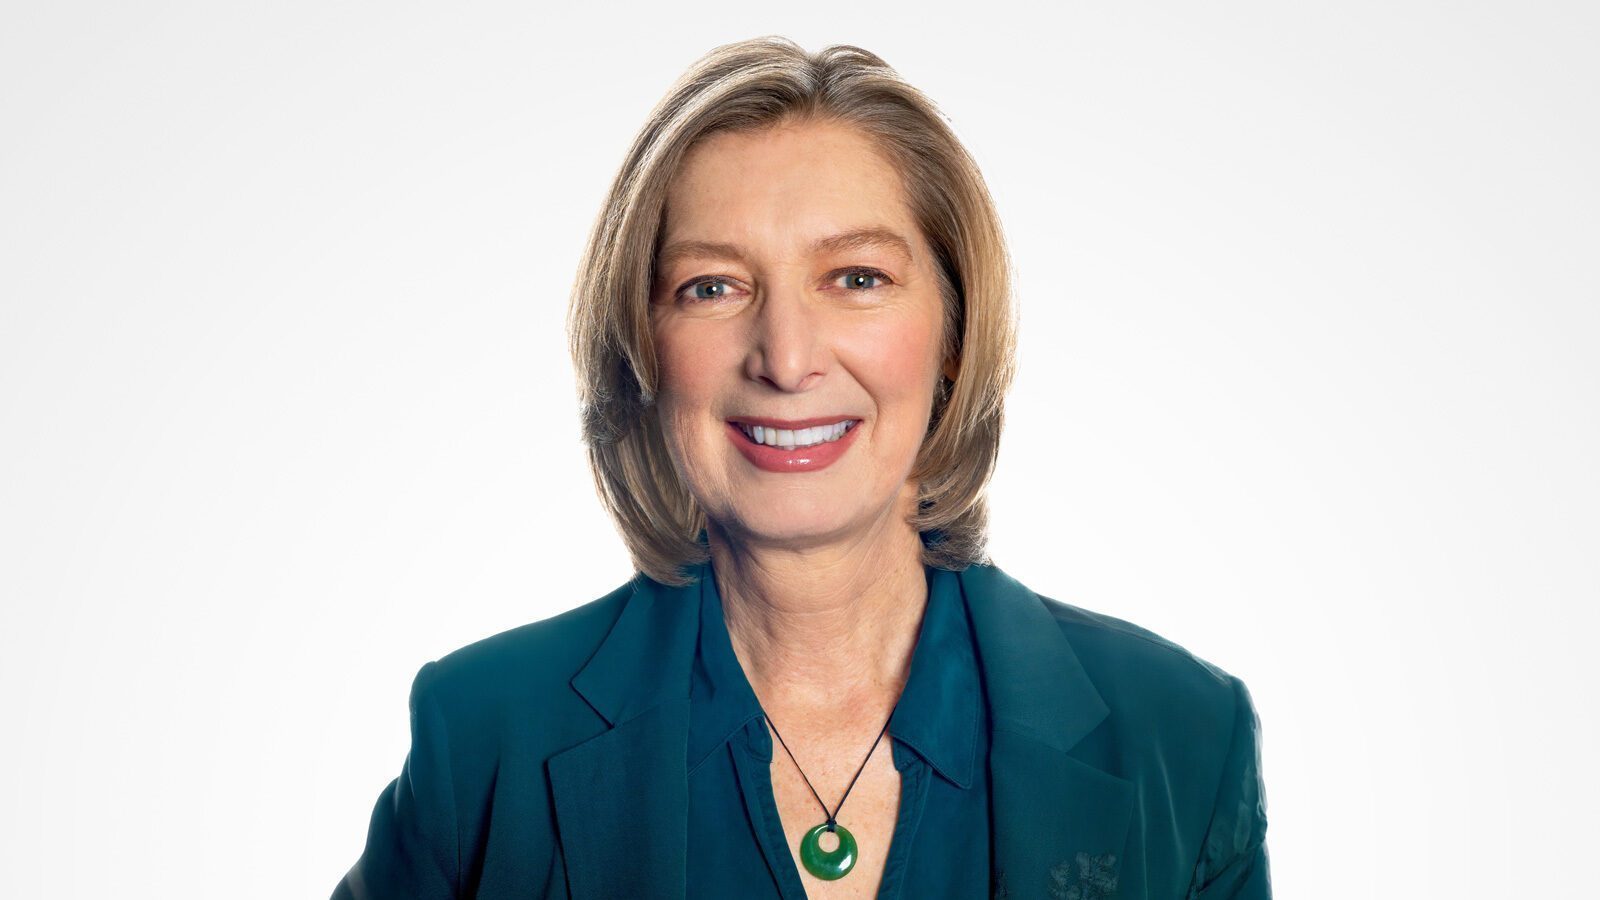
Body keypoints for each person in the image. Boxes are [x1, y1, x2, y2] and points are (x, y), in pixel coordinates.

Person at [333, 36, 1271, 900]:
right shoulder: (485, 735)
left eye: (856, 278)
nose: (785, 357)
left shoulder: (1181, 738)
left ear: (953, 331)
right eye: (713, 287)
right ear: (644, 350)